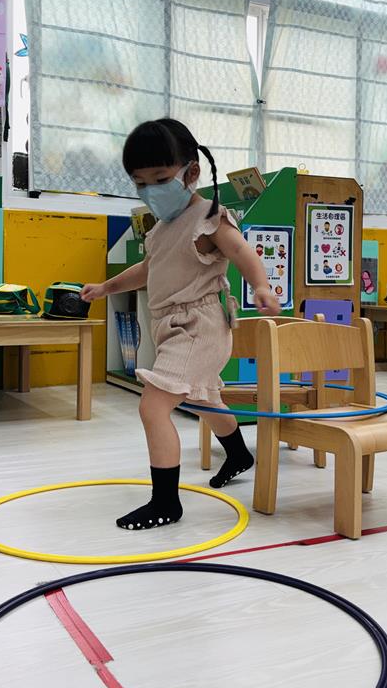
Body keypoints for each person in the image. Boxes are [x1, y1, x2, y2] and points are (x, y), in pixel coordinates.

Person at [81, 118, 281, 531]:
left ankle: (166, 502)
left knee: (153, 406)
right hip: (173, 326)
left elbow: (242, 252)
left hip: (199, 325)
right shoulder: (161, 228)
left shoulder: (209, 216)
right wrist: (105, 287)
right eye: (140, 183)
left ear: (191, 173)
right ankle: (239, 454)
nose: (151, 190)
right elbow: (147, 269)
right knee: (205, 399)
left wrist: (261, 286)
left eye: (160, 179)